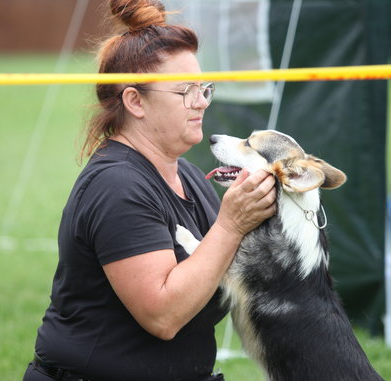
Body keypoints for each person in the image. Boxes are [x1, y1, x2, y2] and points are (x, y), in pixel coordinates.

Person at [22, 1, 277, 380]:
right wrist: (230, 225)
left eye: (204, 89)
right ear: (135, 101)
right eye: (185, 92)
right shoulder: (117, 186)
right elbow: (163, 315)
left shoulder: (189, 175)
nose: (202, 102)